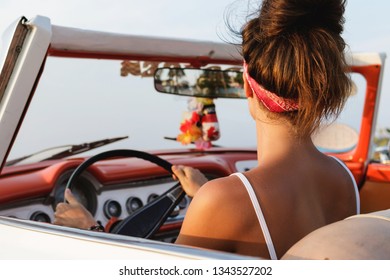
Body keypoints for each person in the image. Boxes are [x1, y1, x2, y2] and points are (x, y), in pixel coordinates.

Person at [54, 0, 359, 259]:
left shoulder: (224, 201)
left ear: (247, 87)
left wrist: (91, 231)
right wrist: (206, 196)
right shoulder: (343, 180)